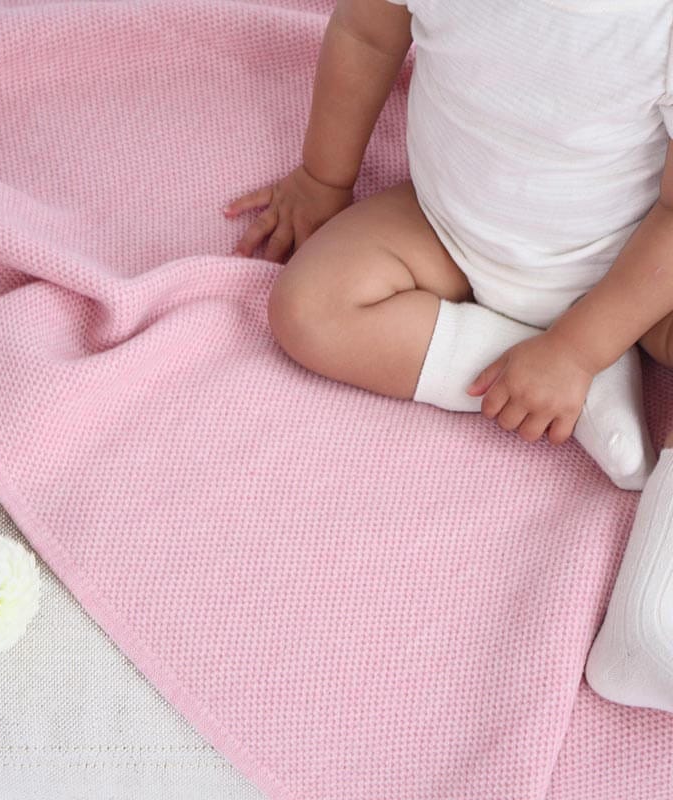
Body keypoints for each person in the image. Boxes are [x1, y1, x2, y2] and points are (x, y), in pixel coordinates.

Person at [222, 1, 673, 712]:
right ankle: (555, 377)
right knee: (307, 310)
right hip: (449, 230)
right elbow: (366, 34)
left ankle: (655, 606)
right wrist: (323, 179)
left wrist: (585, 341)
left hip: (631, 275)